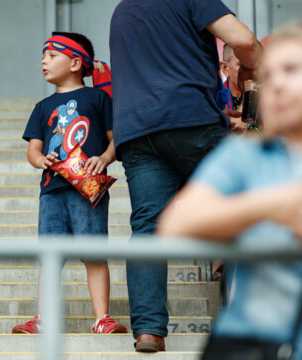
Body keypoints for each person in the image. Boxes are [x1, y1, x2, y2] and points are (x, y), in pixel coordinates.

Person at [109, 0, 261, 352]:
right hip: (189, 118)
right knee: (243, 212)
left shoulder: (123, 10)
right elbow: (243, 40)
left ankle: (148, 331)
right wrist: (258, 72)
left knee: (148, 227)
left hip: (136, 130)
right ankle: (244, 321)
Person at [158, 21, 302, 359]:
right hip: (253, 340)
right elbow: (175, 224)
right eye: (270, 75)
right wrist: (270, 205)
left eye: (292, 70)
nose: (277, 84)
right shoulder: (245, 154)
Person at [13, 32, 127, 335]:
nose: (43, 61)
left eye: (51, 55)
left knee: (93, 252)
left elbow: (116, 142)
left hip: (88, 189)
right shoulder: (42, 106)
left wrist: (104, 158)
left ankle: (102, 318)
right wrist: (40, 161)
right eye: (43, 56)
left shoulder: (99, 98)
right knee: (50, 256)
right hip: (51, 190)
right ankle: (43, 318)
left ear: (75, 61)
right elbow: (33, 149)